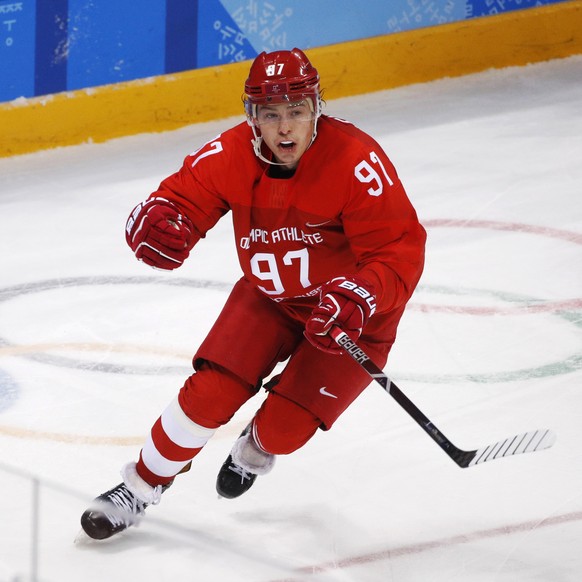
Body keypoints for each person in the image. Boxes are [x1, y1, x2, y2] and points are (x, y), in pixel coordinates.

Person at [80, 47, 426, 540]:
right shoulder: (231, 154)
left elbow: (399, 249)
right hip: (270, 298)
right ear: (253, 118)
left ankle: (255, 446)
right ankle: (138, 488)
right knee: (209, 394)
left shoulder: (356, 162)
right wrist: (157, 217)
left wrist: (360, 295)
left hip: (352, 317)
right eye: (271, 115)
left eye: (296, 112)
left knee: (285, 429)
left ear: (316, 109)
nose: (285, 128)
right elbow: (181, 196)